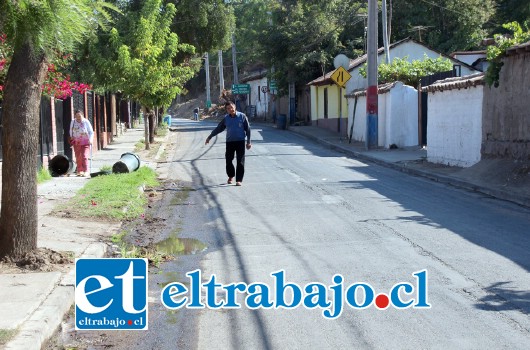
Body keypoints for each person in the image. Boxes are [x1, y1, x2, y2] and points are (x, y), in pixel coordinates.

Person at [205, 101, 252, 186]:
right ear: (226, 110)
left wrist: (248, 142)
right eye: (228, 108)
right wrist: (210, 137)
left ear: (235, 107)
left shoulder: (242, 116)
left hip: (240, 142)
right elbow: (219, 128)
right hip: (230, 142)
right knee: (228, 160)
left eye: (231, 107)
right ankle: (231, 176)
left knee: (240, 161)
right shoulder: (226, 118)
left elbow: (248, 129)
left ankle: (239, 180)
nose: (230, 109)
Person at [69, 110, 94, 177]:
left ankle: (86, 171)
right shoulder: (73, 121)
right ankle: (80, 171)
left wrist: (91, 140)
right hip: (76, 142)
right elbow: (71, 130)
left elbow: (91, 132)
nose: (78, 118)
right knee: (78, 157)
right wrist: (71, 138)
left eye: (79, 116)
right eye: (76, 116)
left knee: (85, 156)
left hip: (86, 142)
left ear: (82, 116)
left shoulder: (86, 122)